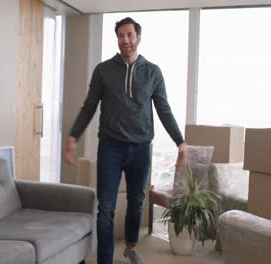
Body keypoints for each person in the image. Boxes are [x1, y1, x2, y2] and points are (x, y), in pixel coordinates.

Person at [64, 17, 187, 264]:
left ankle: (131, 247)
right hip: (111, 148)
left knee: (136, 204)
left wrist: (180, 142)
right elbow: (89, 106)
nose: (126, 40)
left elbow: (164, 110)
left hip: (141, 149)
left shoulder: (152, 72)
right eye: (121, 35)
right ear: (117, 38)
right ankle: (105, 261)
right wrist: (73, 136)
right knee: (106, 210)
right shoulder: (103, 70)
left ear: (138, 37)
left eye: (130, 35)